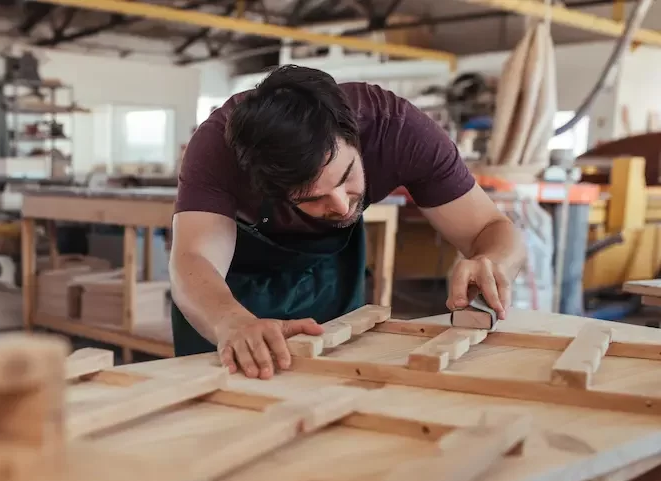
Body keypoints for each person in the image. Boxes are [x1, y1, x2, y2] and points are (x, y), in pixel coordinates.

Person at [169, 65, 526, 379]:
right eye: (312, 199)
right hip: (228, 288)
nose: (341, 207)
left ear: (354, 133)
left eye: (347, 176)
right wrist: (229, 320)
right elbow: (193, 259)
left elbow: (492, 229)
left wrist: (491, 263)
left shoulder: (398, 130)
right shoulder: (217, 149)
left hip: (327, 275)